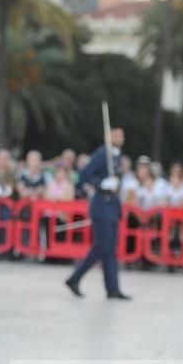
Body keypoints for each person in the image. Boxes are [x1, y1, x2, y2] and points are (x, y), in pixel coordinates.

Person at [64, 127, 131, 300]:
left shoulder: (116, 156)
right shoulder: (102, 154)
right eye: (115, 135)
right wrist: (101, 183)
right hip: (102, 206)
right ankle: (75, 278)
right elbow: (84, 175)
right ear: (107, 137)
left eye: (120, 135)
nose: (118, 138)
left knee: (110, 250)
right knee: (101, 247)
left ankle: (112, 288)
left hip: (112, 206)